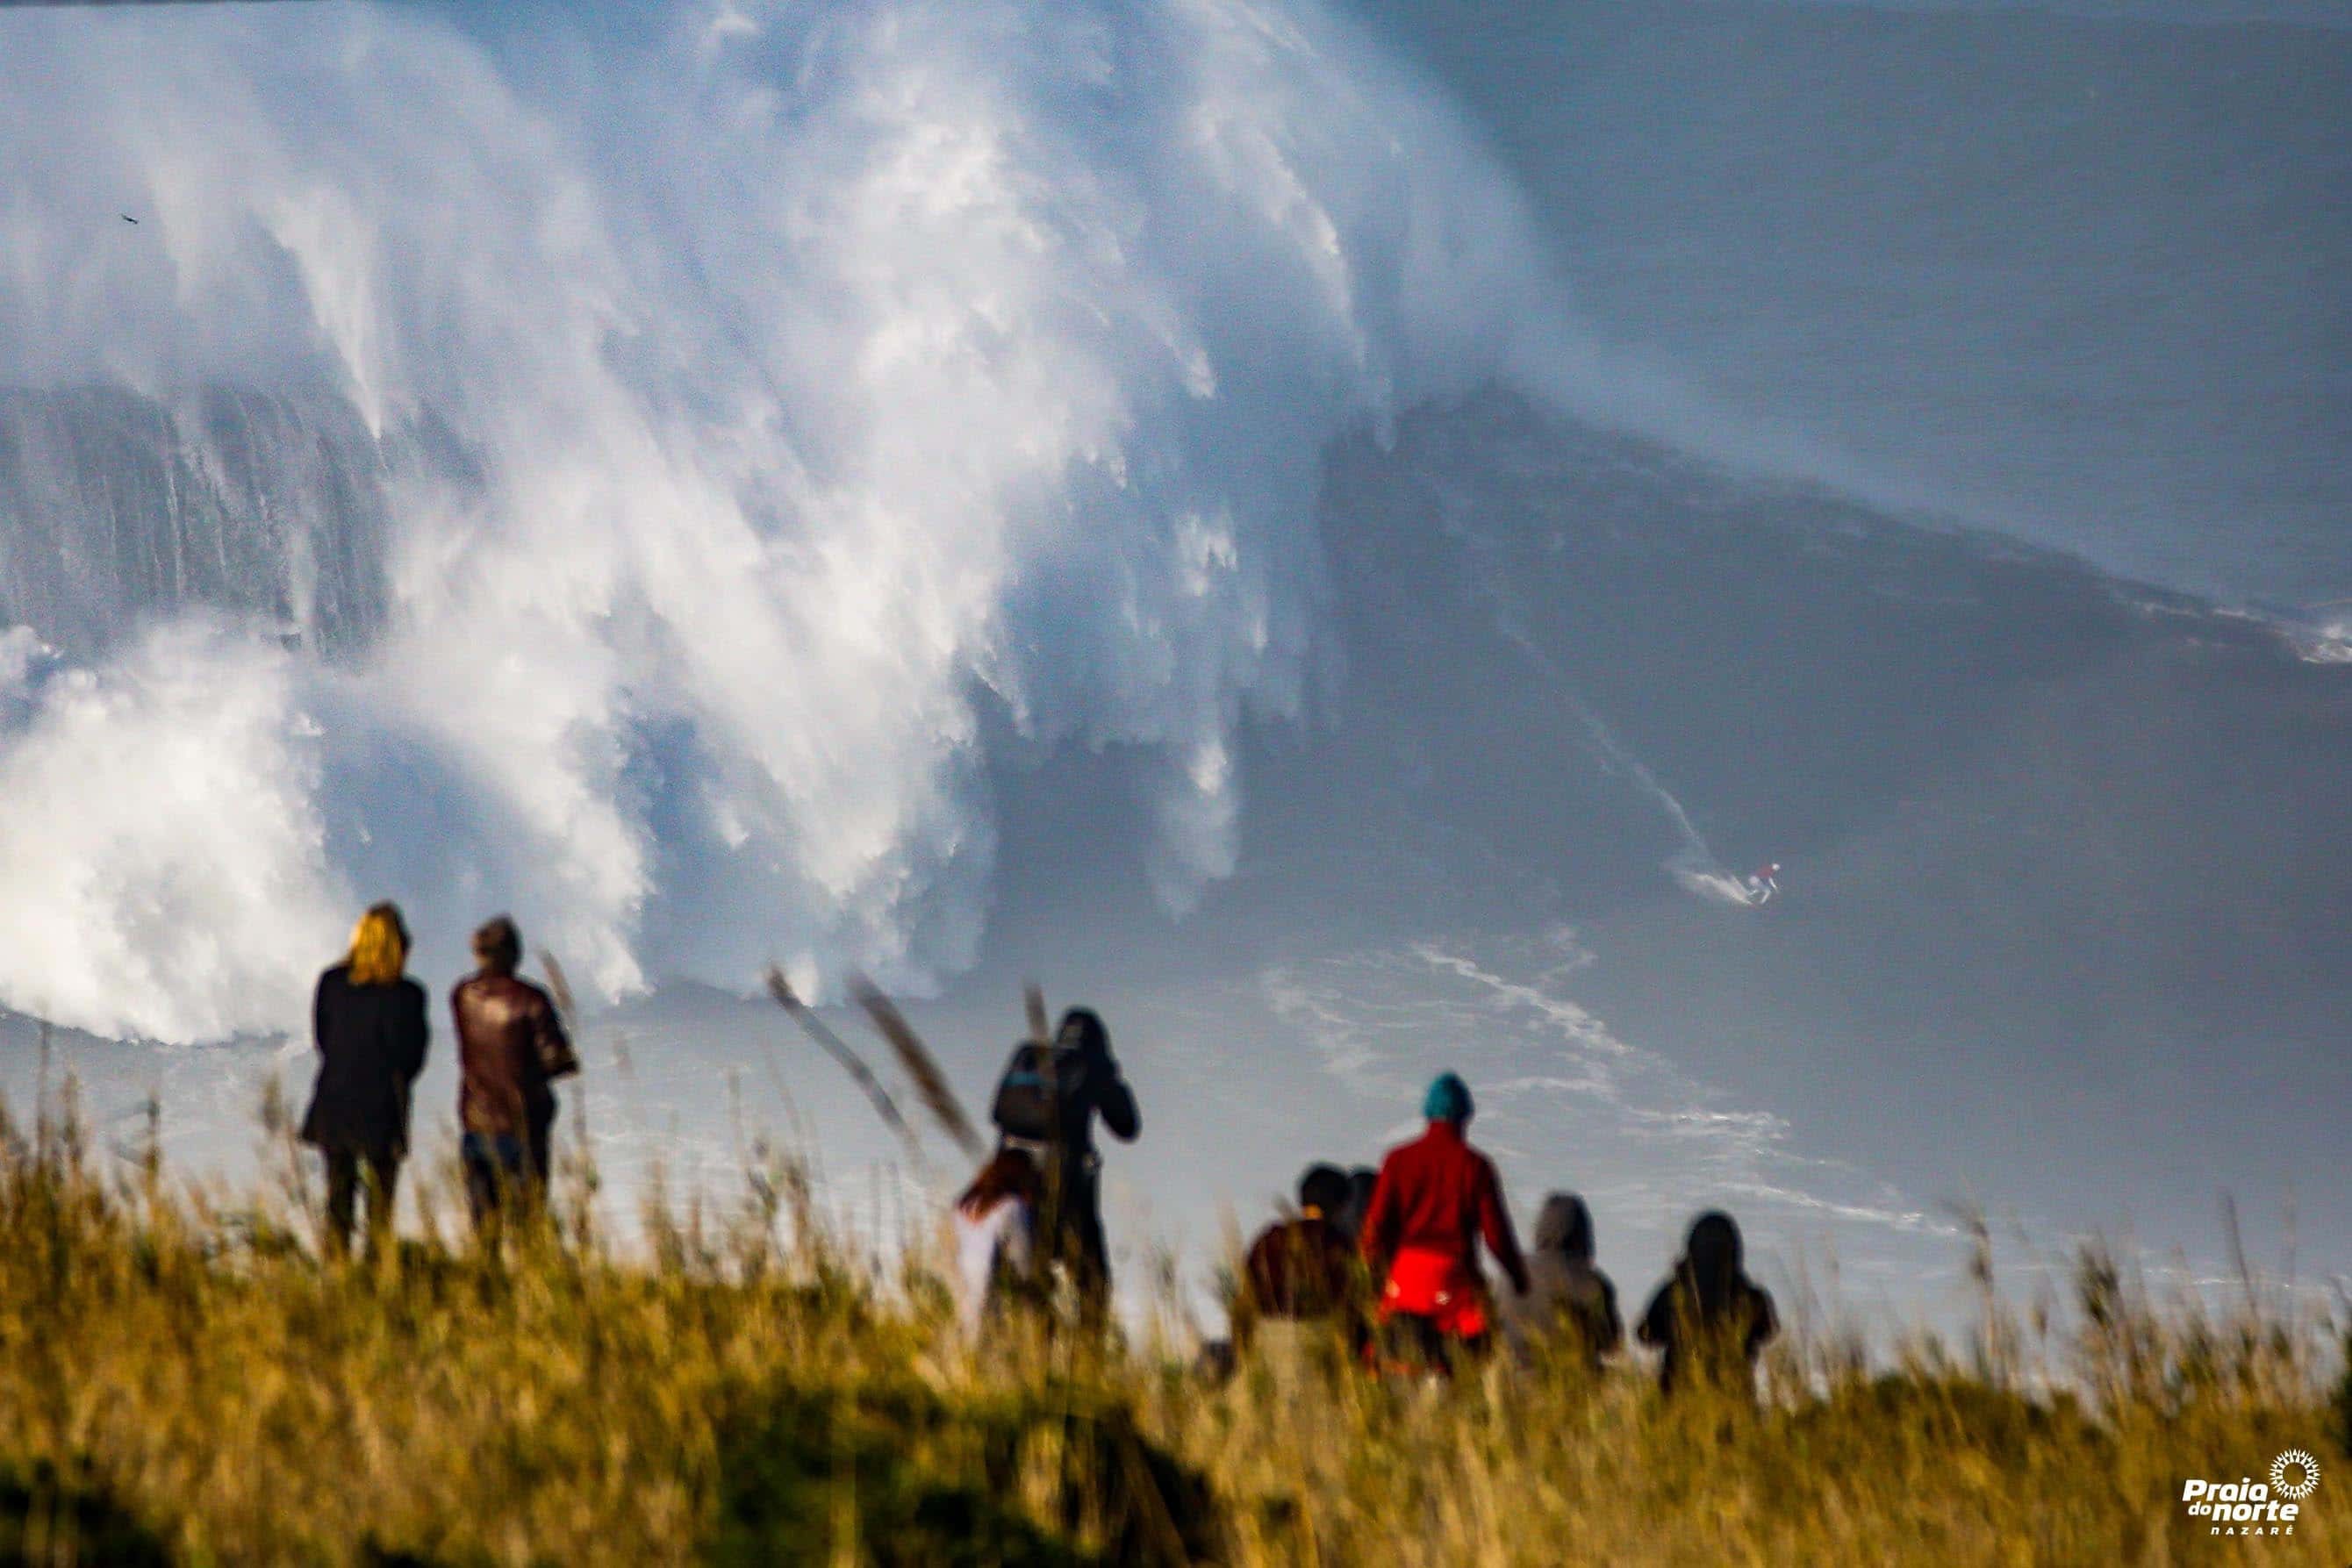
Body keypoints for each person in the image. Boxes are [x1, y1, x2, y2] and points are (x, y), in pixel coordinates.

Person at [1358, 1073, 1529, 1371]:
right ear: (1466, 1116)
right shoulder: (1476, 1166)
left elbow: (1376, 1228)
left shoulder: (1398, 1159)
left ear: (1427, 1113)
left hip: (1404, 1277)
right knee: (1475, 1359)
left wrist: (1368, 1274)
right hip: (1455, 1280)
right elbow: (1496, 1235)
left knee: (1385, 1353)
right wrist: (1517, 1277)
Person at [987, 1006, 1139, 1322]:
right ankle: (1087, 1362)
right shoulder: (1093, 1063)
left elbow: (996, 1112)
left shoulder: (1028, 1055)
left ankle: (991, 1347)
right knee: (1093, 1286)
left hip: (1009, 1188)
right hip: (1067, 1195)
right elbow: (1127, 1126)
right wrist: (1112, 1075)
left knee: (1006, 1279)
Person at [298, 902, 429, 1257]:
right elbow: (413, 1057)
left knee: (337, 1202)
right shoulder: (407, 994)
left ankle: (337, 1279)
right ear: (400, 944)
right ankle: (375, 1283)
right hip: (382, 1108)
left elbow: (323, 1040)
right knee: (379, 1208)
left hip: (334, 1102)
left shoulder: (331, 982)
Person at [450, 915, 577, 1229]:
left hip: (477, 1122)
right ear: (514, 954)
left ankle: (485, 1278)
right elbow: (555, 1058)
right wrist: (564, 1063)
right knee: (527, 1229)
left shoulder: (463, 995)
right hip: (523, 1127)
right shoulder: (531, 999)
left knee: (484, 1229)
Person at [1636, 1210, 1779, 1397]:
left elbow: (1646, 1335)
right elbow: (1768, 1332)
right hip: (1735, 1399)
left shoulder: (1673, 1292)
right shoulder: (1751, 1296)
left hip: (1677, 1398)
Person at [1234, 1163, 1361, 1353]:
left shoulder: (1269, 1239)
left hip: (1266, 1340)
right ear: (1341, 1205)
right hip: (1322, 1343)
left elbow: (1245, 1299)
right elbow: (1354, 1305)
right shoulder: (1341, 1245)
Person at [1502, 1192, 1622, 1373]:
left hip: (1514, 1380)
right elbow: (1611, 1345)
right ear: (1583, 1233)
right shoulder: (1593, 1282)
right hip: (1575, 1382)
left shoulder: (1509, 1273)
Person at [950, 1146, 1041, 1339]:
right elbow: (1024, 1265)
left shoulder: (963, 1206)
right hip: (990, 1306)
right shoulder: (1013, 1208)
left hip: (960, 1300)